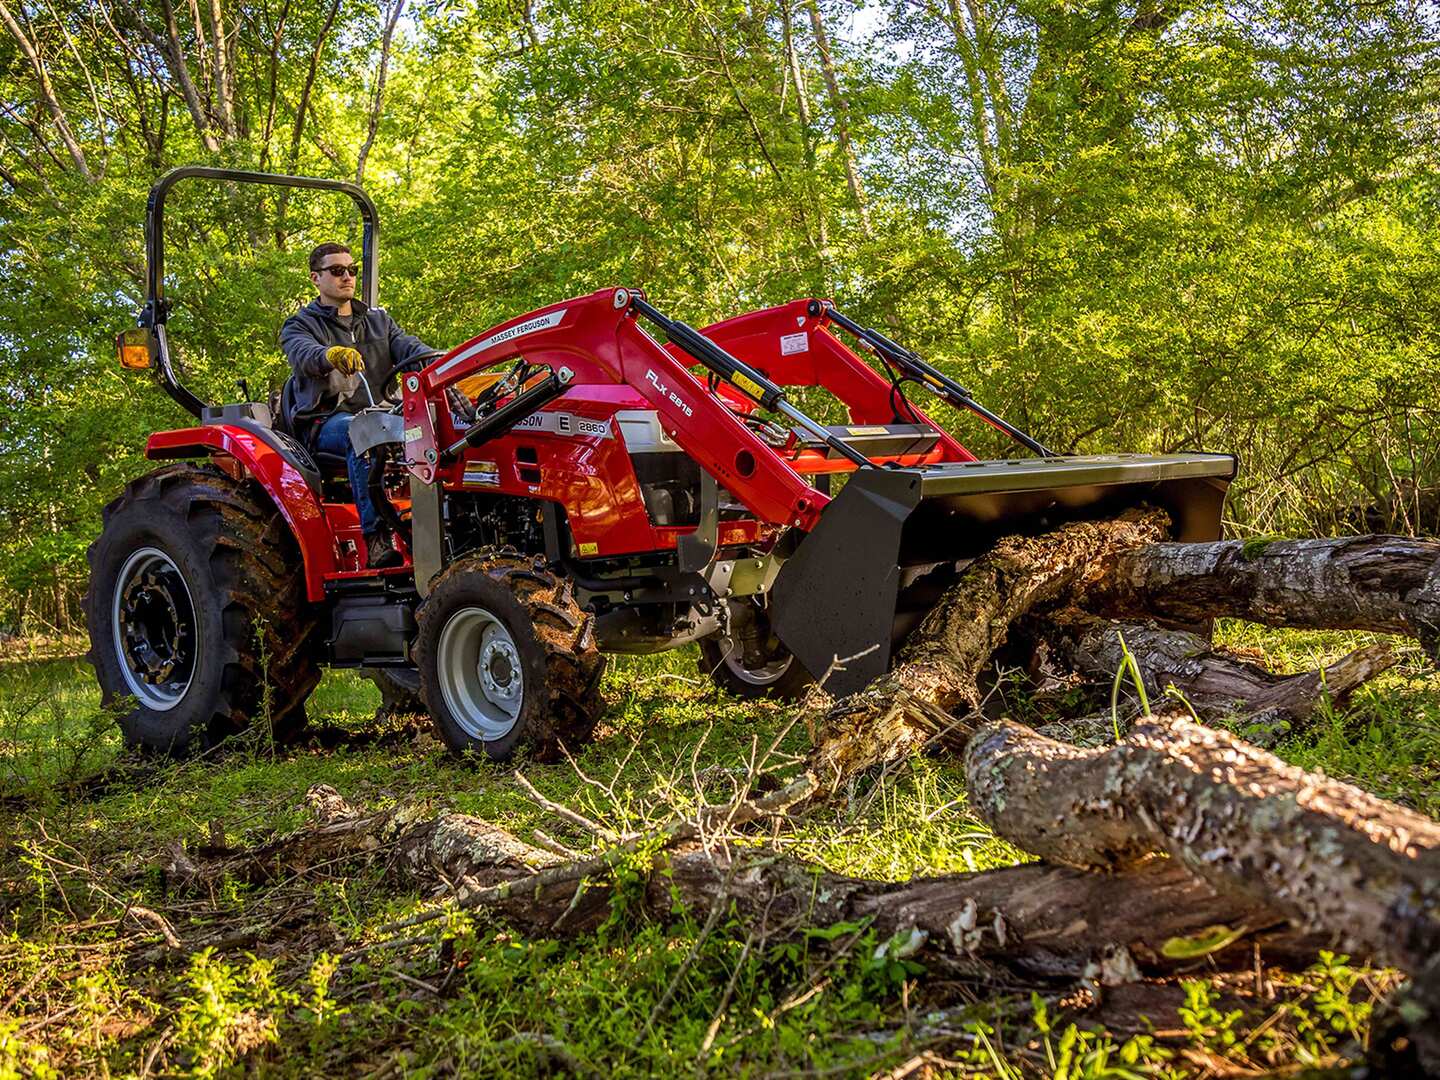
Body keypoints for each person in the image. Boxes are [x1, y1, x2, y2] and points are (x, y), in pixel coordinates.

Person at [280, 242, 437, 570]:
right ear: (315, 278)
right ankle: (376, 540)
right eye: (337, 271)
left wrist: (439, 361)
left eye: (351, 270)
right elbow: (303, 353)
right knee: (363, 431)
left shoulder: (379, 321)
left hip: (382, 415)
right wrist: (329, 355)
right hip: (326, 423)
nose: (347, 277)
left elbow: (411, 350)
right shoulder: (300, 325)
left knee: (441, 424)